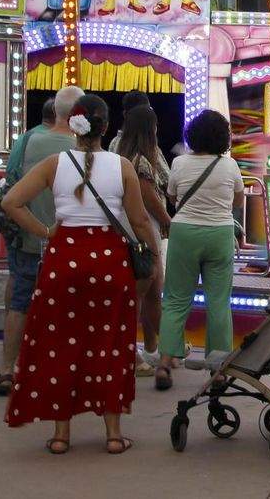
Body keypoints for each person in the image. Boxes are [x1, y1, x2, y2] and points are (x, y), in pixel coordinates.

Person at [3, 95, 158, 454]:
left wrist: (45, 232)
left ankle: (61, 436)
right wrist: (152, 250)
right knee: (111, 346)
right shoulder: (122, 167)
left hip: (64, 260)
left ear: (73, 126)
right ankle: (114, 435)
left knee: (61, 345)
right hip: (109, 262)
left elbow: (11, 201)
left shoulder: (53, 164)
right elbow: (137, 221)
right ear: (105, 127)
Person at [0, 86, 82, 397]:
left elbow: (11, 179)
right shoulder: (83, 150)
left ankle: (7, 369)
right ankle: (59, 369)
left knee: (20, 300)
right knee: (68, 307)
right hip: (70, 241)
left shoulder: (29, 139)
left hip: (29, 235)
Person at [157, 110, 244, 391]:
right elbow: (238, 200)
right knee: (218, 301)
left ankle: (165, 361)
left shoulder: (179, 163)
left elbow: (172, 196)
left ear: (192, 135)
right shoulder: (229, 166)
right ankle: (218, 370)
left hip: (184, 232)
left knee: (176, 298)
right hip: (219, 233)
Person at [114, 105, 169, 380]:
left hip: (127, 226)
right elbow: (149, 198)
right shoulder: (142, 162)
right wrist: (167, 219)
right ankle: (132, 354)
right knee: (140, 295)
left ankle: (162, 348)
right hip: (143, 230)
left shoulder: (120, 154)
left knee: (150, 292)